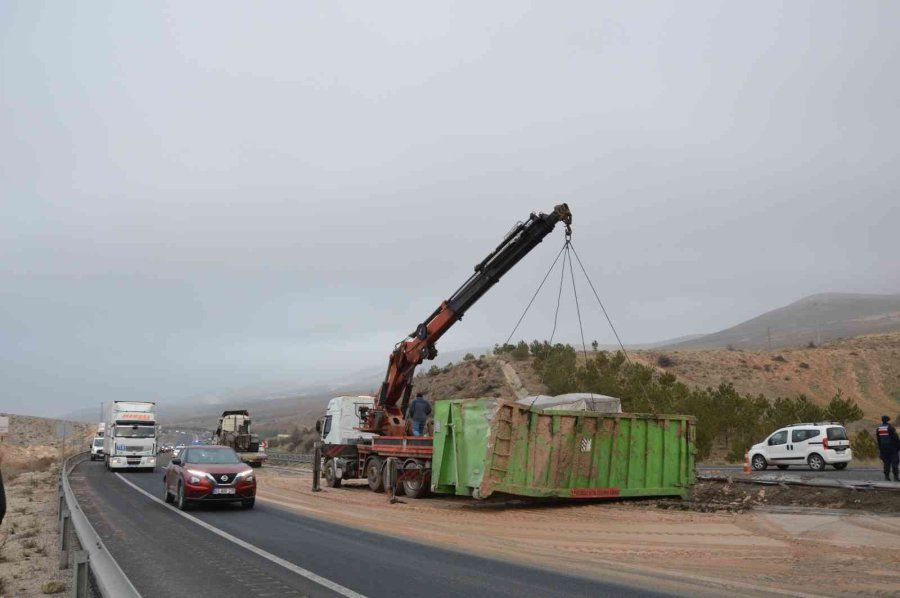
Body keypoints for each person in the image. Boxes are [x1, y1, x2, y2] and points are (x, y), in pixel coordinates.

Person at [876, 415, 900, 482]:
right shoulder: (890, 428)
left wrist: (880, 449)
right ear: (888, 420)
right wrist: (898, 447)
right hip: (892, 448)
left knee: (886, 463)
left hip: (883, 448)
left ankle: (887, 477)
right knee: (895, 462)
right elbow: (896, 438)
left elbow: (878, 440)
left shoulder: (878, 429)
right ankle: (896, 477)